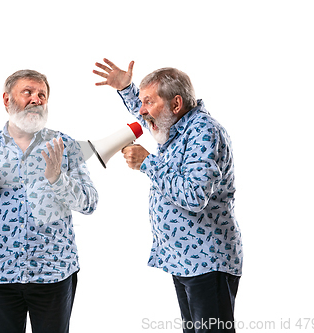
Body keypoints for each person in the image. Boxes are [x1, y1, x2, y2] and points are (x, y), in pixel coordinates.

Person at [94, 59, 243, 333]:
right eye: (142, 101)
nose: (142, 110)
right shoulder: (174, 127)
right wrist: (127, 88)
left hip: (207, 262)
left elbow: (195, 196)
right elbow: (147, 117)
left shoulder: (204, 132)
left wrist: (148, 163)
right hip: (186, 260)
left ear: (176, 104)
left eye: (148, 101)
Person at [0, 69, 98, 333]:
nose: (36, 99)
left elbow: (89, 203)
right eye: (27, 92)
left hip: (54, 273)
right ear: (7, 100)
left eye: (42, 95)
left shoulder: (65, 145)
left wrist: (57, 179)